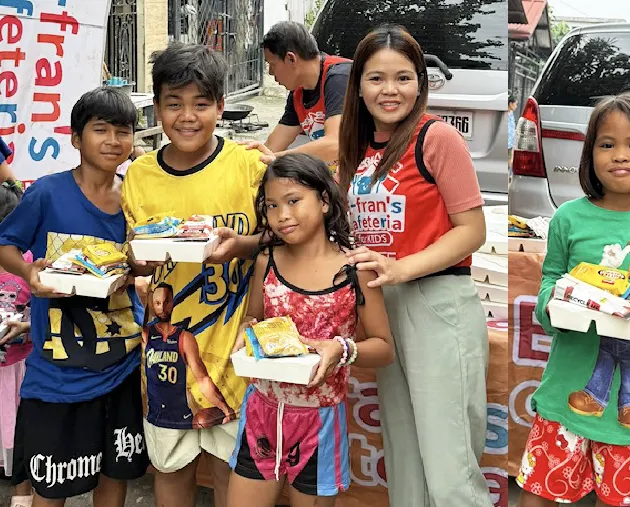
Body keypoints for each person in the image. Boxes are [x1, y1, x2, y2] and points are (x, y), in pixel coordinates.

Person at [515, 91, 630, 507]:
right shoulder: (568, 218)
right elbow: (550, 282)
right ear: (589, 154)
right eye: (607, 144)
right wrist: (552, 308)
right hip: (564, 391)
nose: (621, 155)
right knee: (538, 495)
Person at [337, 24, 492, 507]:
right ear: (358, 85)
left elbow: (472, 230)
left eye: (404, 78)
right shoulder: (356, 146)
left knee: (450, 472)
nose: (390, 90)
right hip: (381, 309)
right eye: (377, 78)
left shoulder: (436, 138)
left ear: (421, 83)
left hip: (437, 303)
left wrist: (402, 268)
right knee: (404, 463)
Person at [121, 42, 268, 507]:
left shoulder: (248, 166)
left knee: (230, 473)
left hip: (236, 351)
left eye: (201, 104)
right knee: (171, 468)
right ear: (157, 108)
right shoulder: (139, 175)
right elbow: (136, 258)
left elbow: (284, 237)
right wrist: (137, 266)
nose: (188, 116)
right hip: (163, 357)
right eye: (174, 104)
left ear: (221, 107)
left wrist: (242, 245)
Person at [0, 88, 148, 507]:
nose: (112, 141)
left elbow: (139, 264)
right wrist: (30, 271)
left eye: (123, 131)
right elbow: (5, 244)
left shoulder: (134, 198)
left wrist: (141, 265)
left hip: (120, 362)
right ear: (76, 138)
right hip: (57, 370)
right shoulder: (47, 193)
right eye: (100, 130)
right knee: (53, 483)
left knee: (114, 472)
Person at [226, 154, 395, 507]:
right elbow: (252, 318)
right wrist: (247, 333)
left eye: (293, 201)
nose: (282, 215)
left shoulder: (355, 270)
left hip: (319, 420)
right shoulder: (265, 262)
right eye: (272, 205)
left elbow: (384, 348)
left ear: (323, 200)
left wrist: (341, 350)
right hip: (261, 412)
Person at [256, 21, 350, 167]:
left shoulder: (340, 78)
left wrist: (278, 158)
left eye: (272, 64)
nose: (270, 72)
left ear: (291, 59)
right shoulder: (298, 93)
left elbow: (336, 144)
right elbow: (271, 147)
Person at [142, 284, 232, 429]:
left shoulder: (184, 337)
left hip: (181, 414)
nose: (162, 308)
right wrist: (147, 297)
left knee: (202, 421)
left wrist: (225, 407)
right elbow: (138, 321)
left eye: (166, 302)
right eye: (157, 303)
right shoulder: (146, 334)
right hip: (155, 415)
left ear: (173, 303)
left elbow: (202, 379)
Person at [0, 181, 33, 507]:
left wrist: (27, 325)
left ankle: (21, 495)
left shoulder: (29, 264)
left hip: (19, 368)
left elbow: (46, 312)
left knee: (21, 437)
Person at [508, 93, 518, 175]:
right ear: (510, 104)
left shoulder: (511, 114)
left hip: (510, 144)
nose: (516, 106)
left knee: (509, 164)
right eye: (515, 104)